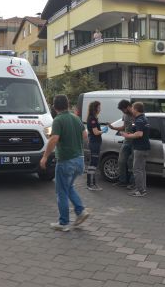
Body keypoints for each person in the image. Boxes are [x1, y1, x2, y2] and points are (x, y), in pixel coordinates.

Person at [40, 95, 90, 232]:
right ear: (68, 105)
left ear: (54, 107)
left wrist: (44, 157)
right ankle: (81, 211)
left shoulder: (58, 120)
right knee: (68, 187)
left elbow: (54, 139)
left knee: (61, 191)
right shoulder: (75, 118)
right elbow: (85, 136)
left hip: (66, 161)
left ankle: (63, 223)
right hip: (79, 160)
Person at [120, 102, 150, 197]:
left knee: (137, 170)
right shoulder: (144, 118)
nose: (131, 110)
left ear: (136, 109)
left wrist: (127, 135)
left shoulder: (139, 120)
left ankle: (140, 191)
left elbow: (139, 134)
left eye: (132, 108)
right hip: (144, 147)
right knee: (141, 170)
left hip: (140, 148)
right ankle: (143, 189)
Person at [108, 99, 135, 190]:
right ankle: (122, 181)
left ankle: (132, 183)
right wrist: (113, 128)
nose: (122, 112)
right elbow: (124, 127)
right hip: (126, 141)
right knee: (121, 161)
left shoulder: (136, 114)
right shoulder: (125, 115)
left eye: (123, 109)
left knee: (131, 162)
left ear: (128, 107)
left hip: (135, 141)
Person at [86, 101, 105, 191]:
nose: (100, 109)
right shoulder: (92, 119)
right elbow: (95, 132)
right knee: (93, 164)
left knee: (94, 163)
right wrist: (103, 131)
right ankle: (90, 184)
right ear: (95, 108)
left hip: (95, 142)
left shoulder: (94, 118)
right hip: (94, 143)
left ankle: (93, 183)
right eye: (99, 107)